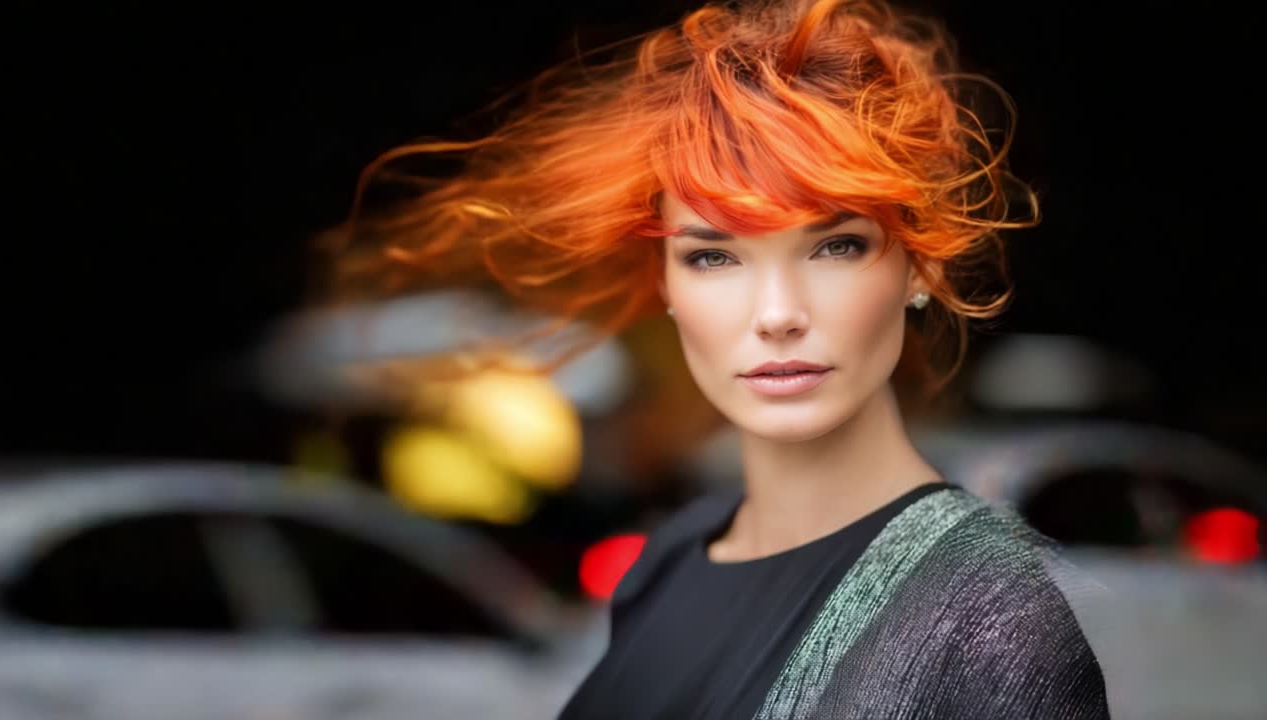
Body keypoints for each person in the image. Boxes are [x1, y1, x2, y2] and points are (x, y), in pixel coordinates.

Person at [323, 0, 1112, 717]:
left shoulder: (989, 622)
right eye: (712, 258)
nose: (776, 315)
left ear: (921, 267)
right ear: (664, 284)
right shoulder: (673, 559)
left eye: (836, 246)